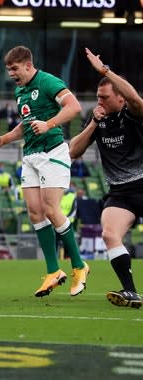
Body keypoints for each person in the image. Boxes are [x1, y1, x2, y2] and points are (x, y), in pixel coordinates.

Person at [0, 45, 89, 298]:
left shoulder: (47, 81)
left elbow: (74, 106)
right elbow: (25, 125)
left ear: (27, 65)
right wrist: (4, 139)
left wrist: (50, 123)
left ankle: (79, 265)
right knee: (35, 213)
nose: (11, 73)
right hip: (31, 155)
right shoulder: (21, 90)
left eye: (14, 69)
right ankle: (54, 271)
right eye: (8, 69)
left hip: (52, 152)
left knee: (51, 210)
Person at [69, 47, 143, 308]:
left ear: (120, 99)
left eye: (105, 98)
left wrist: (105, 71)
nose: (99, 102)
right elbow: (73, 151)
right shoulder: (98, 120)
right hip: (120, 193)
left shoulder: (133, 113)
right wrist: (92, 122)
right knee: (110, 233)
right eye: (97, 98)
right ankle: (131, 292)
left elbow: (135, 97)